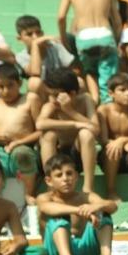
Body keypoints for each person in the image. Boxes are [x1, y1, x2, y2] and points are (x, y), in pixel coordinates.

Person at [36, 154, 120, 255]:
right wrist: (78, 210)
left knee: (104, 214)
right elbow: (46, 208)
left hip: (84, 254)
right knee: (58, 217)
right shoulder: (44, 198)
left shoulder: (85, 197)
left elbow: (113, 206)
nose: (65, 179)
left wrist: (98, 206)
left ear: (76, 176)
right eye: (59, 175)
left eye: (69, 174)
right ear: (49, 181)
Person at [0, 64, 42, 205]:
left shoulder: (30, 99)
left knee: (21, 154)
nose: (6, 91)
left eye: (10, 85)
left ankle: (27, 197)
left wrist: (19, 142)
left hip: (25, 149)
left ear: (19, 83)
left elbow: (41, 130)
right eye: (1, 87)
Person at [36, 67, 100, 195]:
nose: (52, 99)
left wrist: (70, 111)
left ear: (72, 94)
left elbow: (95, 129)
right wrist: (74, 123)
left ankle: (88, 188)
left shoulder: (85, 100)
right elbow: (40, 123)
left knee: (86, 134)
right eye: (50, 94)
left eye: (55, 95)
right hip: (55, 155)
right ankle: (52, 188)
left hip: (78, 155)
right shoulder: (51, 105)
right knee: (48, 135)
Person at [58, 0, 121, 104]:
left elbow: (61, 17)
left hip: (85, 36)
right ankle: (107, 103)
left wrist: (63, 38)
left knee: (89, 71)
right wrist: (117, 42)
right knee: (108, 77)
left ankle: (94, 99)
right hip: (105, 35)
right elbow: (117, 21)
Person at [14, 15, 76, 96]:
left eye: (38, 32)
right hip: (42, 93)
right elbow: (35, 72)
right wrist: (35, 45)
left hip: (60, 89)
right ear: (20, 38)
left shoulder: (54, 46)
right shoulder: (21, 57)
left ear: (42, 33)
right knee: (34, 83)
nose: (35, 37)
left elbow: (73, 70)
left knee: (79, 82)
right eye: (29, 34)